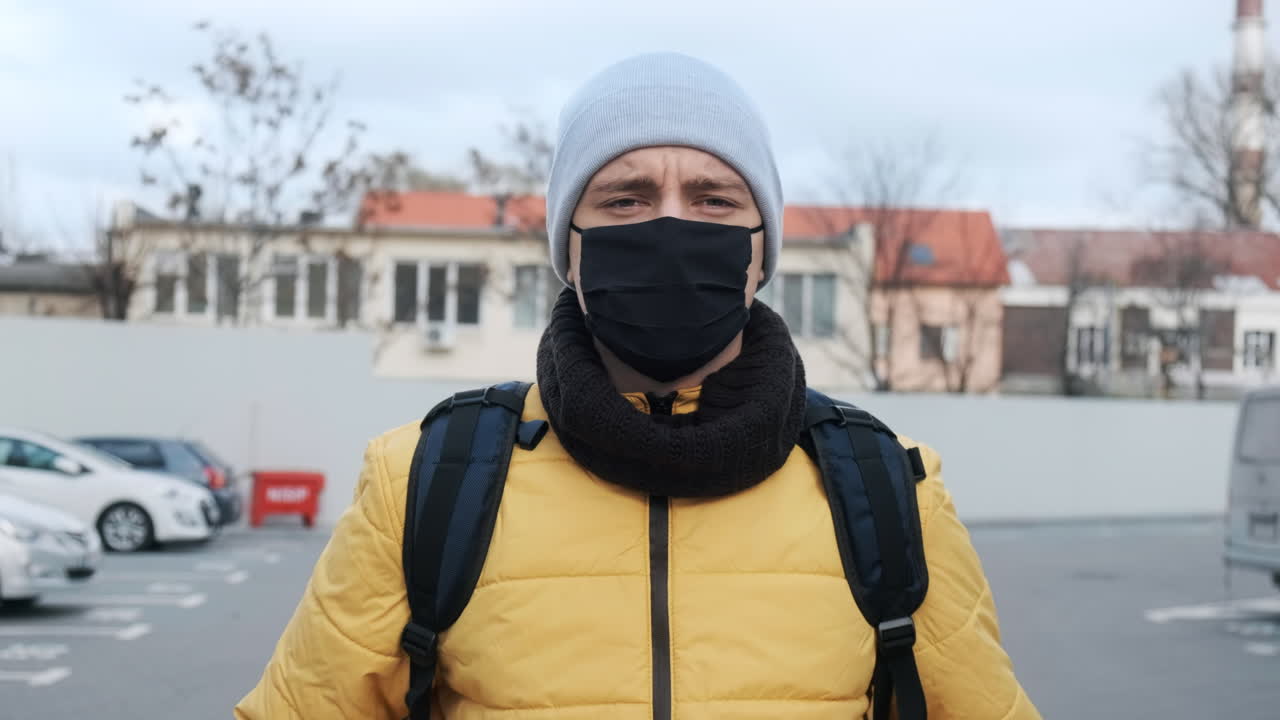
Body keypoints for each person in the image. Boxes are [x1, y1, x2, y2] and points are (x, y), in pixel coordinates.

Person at [235, 52, 1040, 720]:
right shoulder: (427, 481)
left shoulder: (886, 488)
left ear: (761, 251)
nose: (670, 225)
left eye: (713, 199)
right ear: (570, 245)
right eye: (625, 198)